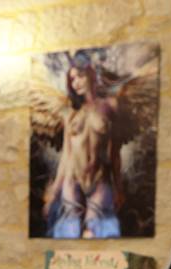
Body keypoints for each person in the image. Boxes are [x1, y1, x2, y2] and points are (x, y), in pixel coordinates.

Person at [42, 57, 124, 239]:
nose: (76, 82)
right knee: (70, 234)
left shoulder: (110, 106)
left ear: (91, 74)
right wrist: (54, 192)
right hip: (73, 179)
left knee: (94, 233)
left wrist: (118, 187)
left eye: (79, 76)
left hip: (99, 178)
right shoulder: (71, 113)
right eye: (72, 79)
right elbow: (66, 155)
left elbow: (115, 153)